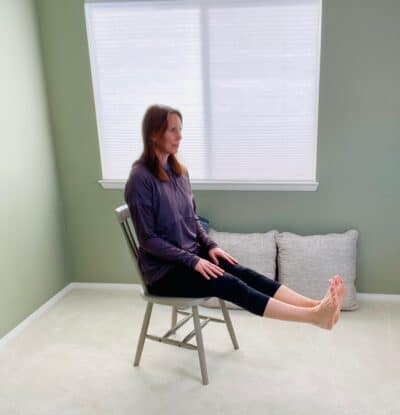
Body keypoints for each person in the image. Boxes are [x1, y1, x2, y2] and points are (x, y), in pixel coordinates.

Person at [124, 104, 345, 330]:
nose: (180, 136)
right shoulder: (140, 179)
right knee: (229, 284)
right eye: (172, 130)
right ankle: (314, 316)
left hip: (190, 257)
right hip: (164, 274)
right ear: (153, 133)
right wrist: (194, 260)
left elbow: (191, 218)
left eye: (180, 129)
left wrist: (209, 245)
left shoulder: (179, 172)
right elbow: (148, 239)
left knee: (243, 272)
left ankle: (316, 306)